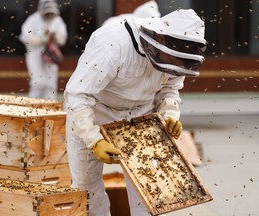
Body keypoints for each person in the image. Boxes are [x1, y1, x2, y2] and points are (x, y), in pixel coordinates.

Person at [64, 9, 206, 216]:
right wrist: (93, 139)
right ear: (160, 38)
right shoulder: (112, 44)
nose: (175, 66)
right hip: (95, 111)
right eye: (173, 60)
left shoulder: (176, 57)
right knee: (86, 186)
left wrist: (169, 115)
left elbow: (169, 89)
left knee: (147, 185)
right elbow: (78, 94)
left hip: (142, 117)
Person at [19, 0, 67, 100]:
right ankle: (32, 107)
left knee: (51, 85)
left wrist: (55, 36)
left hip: (51, 54)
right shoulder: (32, 19)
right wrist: (41, 39)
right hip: (35, 54)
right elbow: (25, 37)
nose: (49, 14)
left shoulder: (57, 20)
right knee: (38, 82)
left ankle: (50, 110)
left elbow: (62, 39)